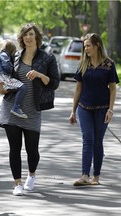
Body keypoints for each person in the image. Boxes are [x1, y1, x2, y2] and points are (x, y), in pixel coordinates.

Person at [0, 23, 59, 196]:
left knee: (32, 149)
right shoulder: (15, 56)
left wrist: (39, 75)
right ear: (22, 38)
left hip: (32, 109)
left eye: (31, 34)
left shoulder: (47, 58)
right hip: (12, 107)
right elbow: (4, 77)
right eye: (25, 35)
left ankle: (31, 174)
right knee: (14, 147)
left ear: (37, 37)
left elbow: (54, 83)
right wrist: (1, 86)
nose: (28, 38)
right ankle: (17, 183)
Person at [69, 33, 119, 186]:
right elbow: (78, 89)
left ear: (97, 45)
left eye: (88, 45)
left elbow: (112, 89)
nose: (86, 49)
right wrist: (73, 111)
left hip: (102, 109)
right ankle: (84, 175)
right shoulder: (83, 64)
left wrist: (110, 110)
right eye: (85, 46)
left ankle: (95, 177)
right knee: (88, 139)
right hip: (84, 108)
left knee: (98, 141)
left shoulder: (109, 65)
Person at [0, 39, 27, 118]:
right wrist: (13, 68)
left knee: (11, 88)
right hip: (3, 76)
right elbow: (6, 65)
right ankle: (16, 107)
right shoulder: (3, 55)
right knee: (22, 87)